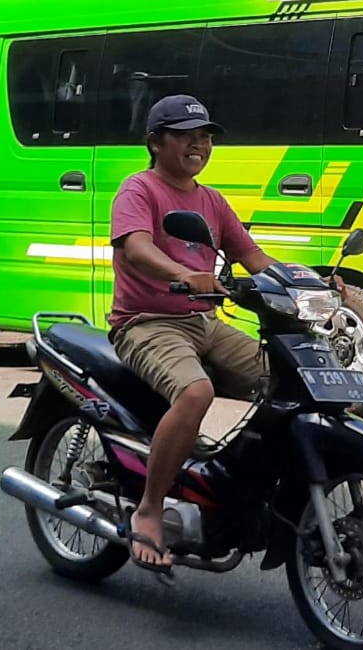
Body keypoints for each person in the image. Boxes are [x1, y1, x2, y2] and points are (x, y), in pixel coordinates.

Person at [107, 93, 276, 578]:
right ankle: (150, 508)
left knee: (288, 378)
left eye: (204, 136)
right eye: (185, 135)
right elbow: (137, 248)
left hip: (204, 323)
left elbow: (257, 259)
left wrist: (315, 281)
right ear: (156, 142)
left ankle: (232, 483)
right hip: (146, 323)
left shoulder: (211, 200)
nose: (198, 144)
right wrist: (185, 272)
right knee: (195, 390)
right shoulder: (138, 190)